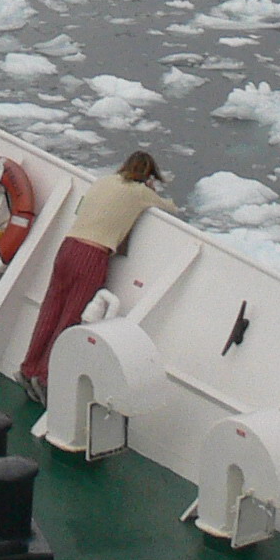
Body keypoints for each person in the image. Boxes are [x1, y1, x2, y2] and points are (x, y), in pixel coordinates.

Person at [19, 151, 175, 398]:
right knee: (70, 318)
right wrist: (151, 191)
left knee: (50, 310)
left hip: (68, 248)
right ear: (148, 176)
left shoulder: (102, 181)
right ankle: (46, 377)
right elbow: (171, 209)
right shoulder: (140, 193)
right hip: (92, 256)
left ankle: (28, 368)